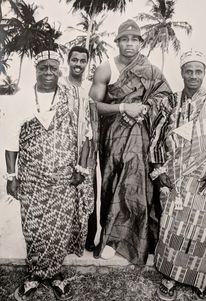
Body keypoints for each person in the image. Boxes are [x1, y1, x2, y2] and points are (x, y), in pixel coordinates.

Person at [5, 49, 96, 301]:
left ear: (60, 70)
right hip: (32, 177)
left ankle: (55, 274)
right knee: (33, 227)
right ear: (36, 70)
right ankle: (34, 274)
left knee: (59, 228)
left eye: (52, 68)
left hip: (64, 177)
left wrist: (80, 169)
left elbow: (85, 136)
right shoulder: (22, 99)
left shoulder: (71, 99)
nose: (48, 72)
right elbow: (11, 140)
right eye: (42, 67)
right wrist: (11, 176)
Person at [154, 50, 206, 300]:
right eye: (188, 71)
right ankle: (170, 276)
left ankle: (200, 279)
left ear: (204, 73)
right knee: (174, 226)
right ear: (181, 73)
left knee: (204, 229)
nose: (193, 76)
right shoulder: (169, 102)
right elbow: (156, 138)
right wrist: (160, 172)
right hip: (176, 175)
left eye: (198, 71)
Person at [89, 19, 173, 264]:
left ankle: (138, 240)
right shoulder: (106, 69)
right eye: (124, 39)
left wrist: (143, 108)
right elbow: (93, 106)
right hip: (113, 137)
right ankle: (111, 239)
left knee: (137, 184)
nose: (129, 44)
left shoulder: (152, 70)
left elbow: (165, 97)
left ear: (140, 43)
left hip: (141, 137)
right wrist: (124, 107)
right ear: (117, 42)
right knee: (112, 182)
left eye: (134, 39)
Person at [60, 45, 98, 252]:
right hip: (63, 148)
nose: (78, 64)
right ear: (68, 61)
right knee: (65, 194)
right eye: (75, 60)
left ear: (87, 63)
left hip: (86, 148)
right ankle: (63, 240)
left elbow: (92, 118)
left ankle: (86, 240)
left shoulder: (89, 88)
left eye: (83, 61)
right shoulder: (59, 85)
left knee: (85, 193)